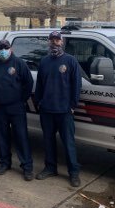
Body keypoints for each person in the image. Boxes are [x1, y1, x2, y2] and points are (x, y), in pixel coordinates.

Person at [0, 39, 34, 181]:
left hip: (16, 107)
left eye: (6, 47)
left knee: (21, 137)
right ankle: (4, 163)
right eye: (1, 48)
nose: (3, 50)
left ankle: (27, 167)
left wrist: (22, 99)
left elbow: (29, 83)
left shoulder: (19, 64)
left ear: (11, 49)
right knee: (2, 137)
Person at [34, 30, 82, 187]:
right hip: (47, 110)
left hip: (64, 111)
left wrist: (72, 105)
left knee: (68, 143)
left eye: (57, 40)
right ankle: (50, 168)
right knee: (48, 141)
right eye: (51, 40)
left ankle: (73, 173)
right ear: (48, 42)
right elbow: (40, 84)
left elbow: (77, 85)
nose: (54, 42)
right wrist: (39, 102)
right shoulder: (44, 61)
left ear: (62, 42)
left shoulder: (70, 61)